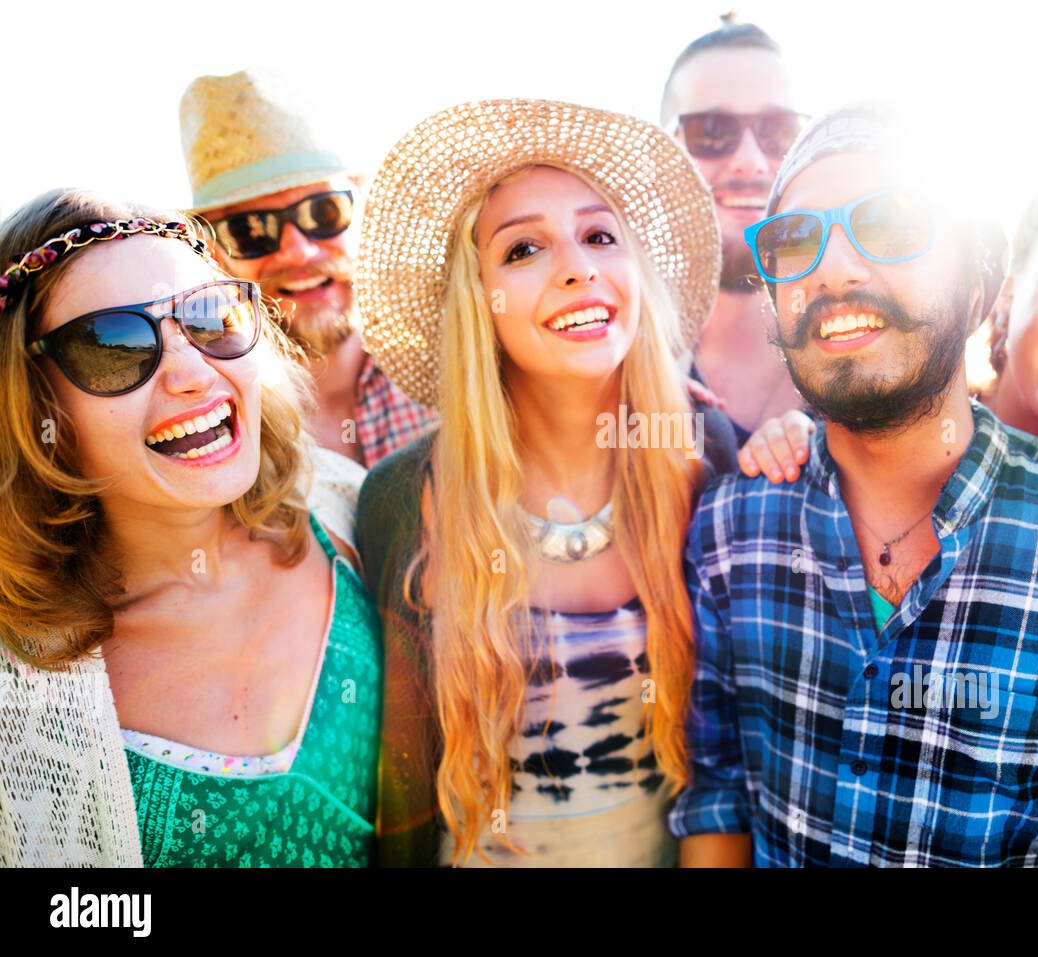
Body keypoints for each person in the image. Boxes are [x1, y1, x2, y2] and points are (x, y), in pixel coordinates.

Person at [670, 104, 1038, 867]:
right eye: (793, 239)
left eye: (890, 224)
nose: (837, 267)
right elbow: (719, 794)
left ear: (982, 273)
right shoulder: (730, 527)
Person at [353, 99, 736, 866]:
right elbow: (397, 794)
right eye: (523, 249)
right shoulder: (405, 496)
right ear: (479, 300)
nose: (576, 266)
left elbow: (737, 763)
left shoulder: (708, 459)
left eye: (600, 235)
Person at [0, 189, 382, 867]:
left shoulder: (353, 513)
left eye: (210, 317)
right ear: (33, 402)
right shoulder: (18, 704)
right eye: (112, 343)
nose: (193, 372)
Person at [180, 69, 436, 472]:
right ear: (214, 253)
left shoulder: (457, 376)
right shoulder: (204, 421)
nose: (298, 251)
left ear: (364, 211)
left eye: (324, 211)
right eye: (250, 230)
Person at [661, 14, 807, 443]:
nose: (750, 161)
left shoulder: (873, 353)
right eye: (710, 131)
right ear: (663, 154)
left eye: (778, 131)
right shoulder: (608, 361)